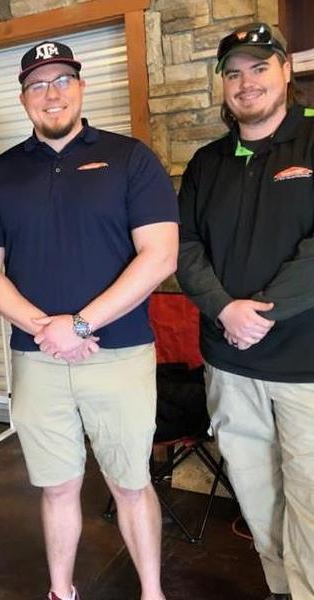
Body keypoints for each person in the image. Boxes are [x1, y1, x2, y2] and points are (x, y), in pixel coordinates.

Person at [0, 40, 178, 600]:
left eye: (62, 80)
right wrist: (47, 328)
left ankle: (151, 591)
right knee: (58, 486)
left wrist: (80, 325)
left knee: (130, 484)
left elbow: (160, 256)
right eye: (37, 84)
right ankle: (62, 591)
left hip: (120, 352)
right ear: (23, 98)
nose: (51, 93)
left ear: (81, 88)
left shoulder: (132, 159)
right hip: (38, 359)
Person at [176, 22, 314, 600]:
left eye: (260, 67)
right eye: (233, 72)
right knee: (256, 493)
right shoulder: (207, 163)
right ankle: (281, 588)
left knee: (309, 494)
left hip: (306, 365)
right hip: (230, 365)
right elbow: (184, 247)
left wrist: (263, 311)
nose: (246, 82)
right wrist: (225, 309)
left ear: (286, 70)